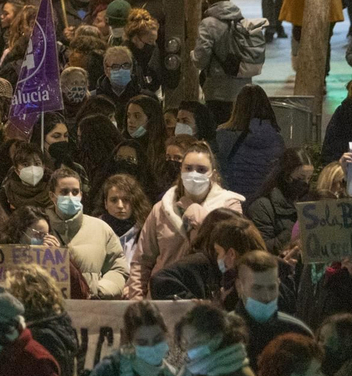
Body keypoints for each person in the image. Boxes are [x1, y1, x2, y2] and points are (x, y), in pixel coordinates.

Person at [139, 141, 243, 280]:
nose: (194, 174)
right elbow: (141, 261)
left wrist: (194, 211)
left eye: (201, 170)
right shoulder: (162, 208)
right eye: (188, 168)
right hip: (162, 291)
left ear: (212, 174)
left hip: (206, 291)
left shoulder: (228, 206)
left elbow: (231, 251)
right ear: (181, 170)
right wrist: (137, 297)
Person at [45, 166, 129, 297]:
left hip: (92, 308)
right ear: (52, 196)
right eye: (64, 192)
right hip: (51, 307)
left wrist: (101, 290)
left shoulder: (101, 228)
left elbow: (118, 267)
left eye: (75, 192)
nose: (70, 196)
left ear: (81, 195)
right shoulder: (41, 228)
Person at [233, 250, 313, 364]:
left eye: (272, 288)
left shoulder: (297, 333)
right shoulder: (224, 337)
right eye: (257, 288)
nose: (266, 297)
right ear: (239, 286)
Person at [213, 85, 285, 202]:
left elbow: (219, 170)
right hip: (264, 204)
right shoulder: (278, 139)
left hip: (233, 201)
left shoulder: (224, 135)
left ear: (237, 107)